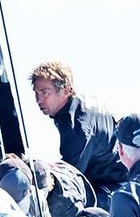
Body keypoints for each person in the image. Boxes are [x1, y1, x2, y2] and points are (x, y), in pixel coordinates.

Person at [27, 61, 129, 207]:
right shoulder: (78, 106)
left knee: (62, 200)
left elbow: (69, 177)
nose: (39, 100)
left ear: (66, 90)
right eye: (36, 93)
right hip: (113, 179)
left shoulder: (78, 126)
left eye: (45, 92)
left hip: (114, 186)